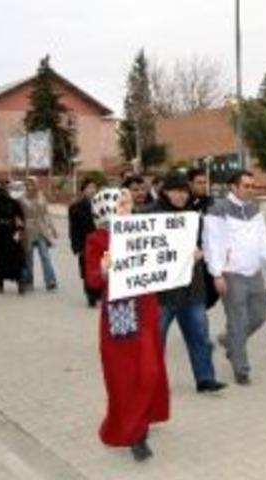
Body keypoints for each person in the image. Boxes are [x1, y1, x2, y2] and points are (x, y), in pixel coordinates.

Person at [84, 188, 169, 462]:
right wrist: (105, 269)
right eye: (121, 203)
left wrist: (185, 257)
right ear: (107, 208)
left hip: (147, 309)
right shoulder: (97, 239)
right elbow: (93, 281)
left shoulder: (142, 231)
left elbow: (163, 258)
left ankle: (140, 423)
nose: (127, 207)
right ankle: (134, 433)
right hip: (120, 312)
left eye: (129, 202)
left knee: (150, 370)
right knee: (126, 375)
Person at [204, 170, 266, 385]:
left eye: (252, 186)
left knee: (259, 317)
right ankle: (241, 368)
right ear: (233, 187)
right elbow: (212, 243)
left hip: (253, 272)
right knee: (237, 321)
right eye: (246, 186)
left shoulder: (254, 208)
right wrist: (217, 273)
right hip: (231, 274)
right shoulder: (218, 209)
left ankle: (230, 341)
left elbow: (262, 238)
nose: (250, 189)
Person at [152, 172, 227, 393]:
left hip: (191, 289)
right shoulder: (148, 216)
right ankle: (153, 383)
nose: (182, 195)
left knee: (200, 335)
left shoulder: (193, 217)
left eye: (185, 191)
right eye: (177, 191)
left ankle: (205, 378)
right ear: (165, 191)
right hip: (161, 293)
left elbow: (205, 243)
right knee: (155, 341)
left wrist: (201, 253)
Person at [0, 176, 26, 295]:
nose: (4, 187)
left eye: (6, 185)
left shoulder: (14, 201)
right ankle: (0, 284)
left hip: (12, 233)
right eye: (1, 185)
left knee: (17, 259)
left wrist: (19, 230)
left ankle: (20, 284)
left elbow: (20, 217)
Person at [187, 167, 220, 310]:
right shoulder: (184, 204)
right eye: (199, 182)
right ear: (190, 184)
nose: (203, 185)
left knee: (210, 296)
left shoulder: (211, 203)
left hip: (208, 257)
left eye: (204, 182)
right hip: (190, 258)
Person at [20, 177, 58, 291]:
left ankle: (50, 280)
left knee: (45, 256)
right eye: (27, 185)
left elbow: (46, 213)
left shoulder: (42, 197)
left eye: (32, 184)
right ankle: (28, 281)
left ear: (36, 185)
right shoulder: (21, 199)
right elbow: (19, 216)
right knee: (28, 257)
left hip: (41, 229)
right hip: (28, 229)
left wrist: (52, 228)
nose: (30, 187)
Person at [70, 177, 101, 307]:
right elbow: (73, 229)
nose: (92, 190)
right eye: (89, 188)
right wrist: (77, 247)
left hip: (101, 243)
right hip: (85, 244)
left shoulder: (103, 205)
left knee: (103, 269)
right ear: (83, 190)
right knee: (87, 271)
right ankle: (90, 295)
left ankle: (100, 292)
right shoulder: (75, 207)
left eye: (94, 187)